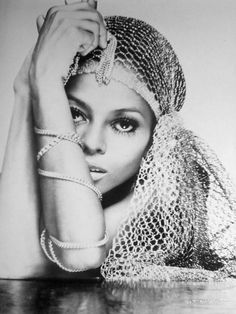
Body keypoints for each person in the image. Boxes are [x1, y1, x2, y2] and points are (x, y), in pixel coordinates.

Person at [0, 0, 235, 281]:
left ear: (157, 137)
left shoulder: (166, 192)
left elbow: (66, 256)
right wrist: (28, 87)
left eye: (124, 124)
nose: (91, 143)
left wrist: (45, 81)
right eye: (74, 113)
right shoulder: (50, 173)